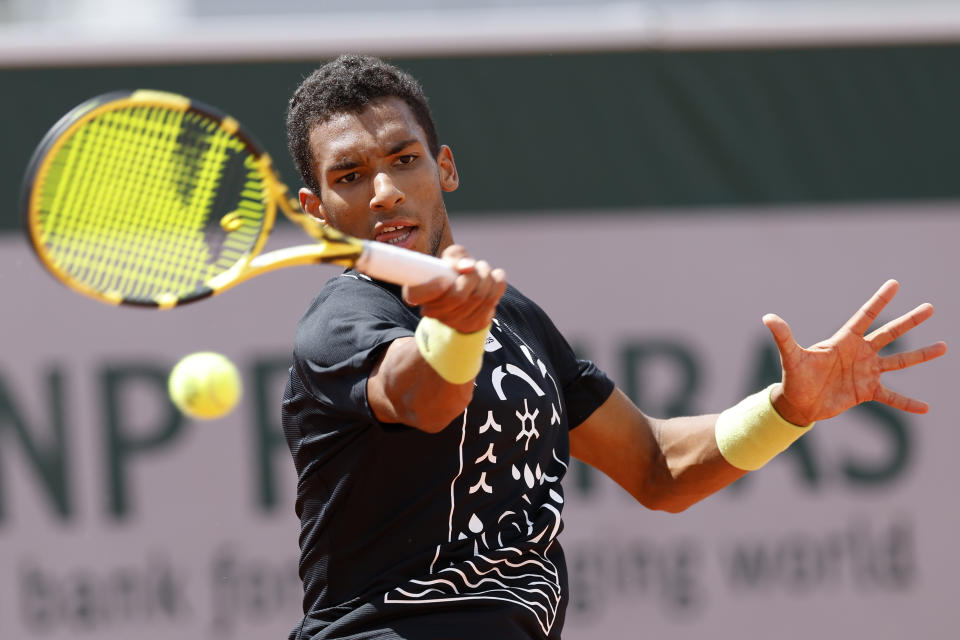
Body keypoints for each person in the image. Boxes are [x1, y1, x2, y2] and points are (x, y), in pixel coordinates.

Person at [280, 54, 946, 640]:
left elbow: (657, 467)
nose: (386, 191)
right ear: (316, 210)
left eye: (404, 159)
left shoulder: (517, 319)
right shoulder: (340, 320)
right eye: (351, 177)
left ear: (444, 166)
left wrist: (788, 410)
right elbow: (422, 397)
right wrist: (456, 328)